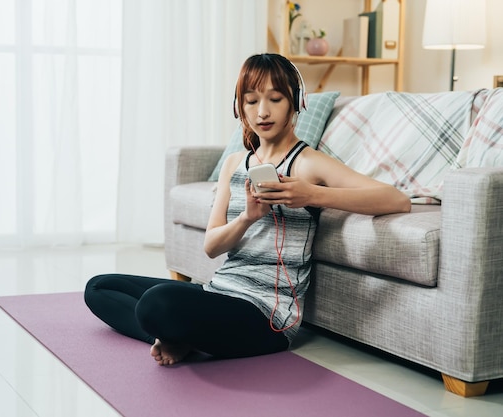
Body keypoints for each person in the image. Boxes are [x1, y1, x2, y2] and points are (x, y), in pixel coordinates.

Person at [84, 53, 411, 366]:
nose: (262, 112)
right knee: (99, 287)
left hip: (266, 317)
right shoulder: (233, 164)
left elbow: (395, 200)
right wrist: (246, 218)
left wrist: (311, 194)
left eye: (275, 99)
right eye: (252, 101)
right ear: (239, 107)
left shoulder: (308, 163)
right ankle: (173, 337)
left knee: (157, 303)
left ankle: (174, 333)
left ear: (295, 103)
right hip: (221, 290)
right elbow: (212, 247)